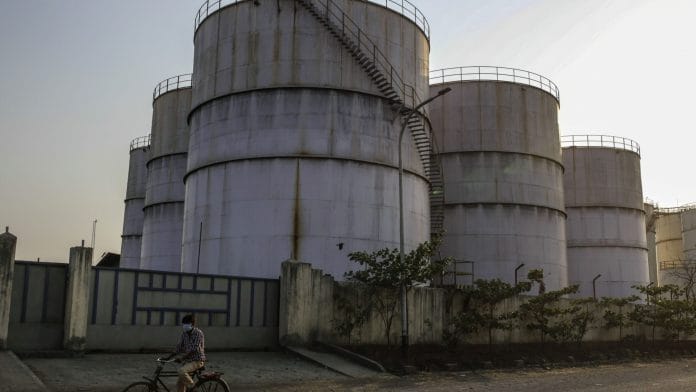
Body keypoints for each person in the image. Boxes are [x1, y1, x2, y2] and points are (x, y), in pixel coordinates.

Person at [166, 314, 206, 392]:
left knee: (181, 371)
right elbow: (179, 347)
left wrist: (182, 358)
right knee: (180, 384)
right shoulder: (184, 334)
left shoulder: (198, 333)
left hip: (197, 360)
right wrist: (168, 357)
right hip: (188, 361)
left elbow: (194, 349)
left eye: (186, 323)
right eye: (183, 324)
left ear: (192, 324)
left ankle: (193, 388)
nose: (184, 325)